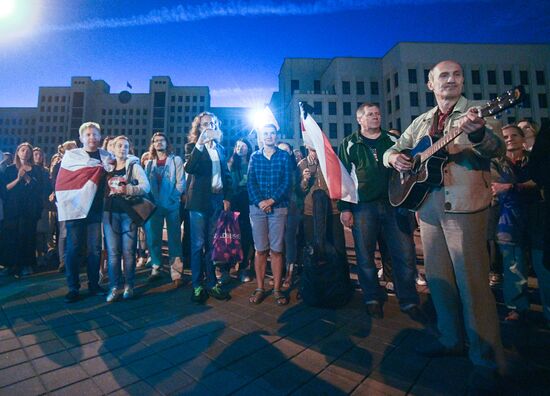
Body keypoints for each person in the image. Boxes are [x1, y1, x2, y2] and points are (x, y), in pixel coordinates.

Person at [384, 60, 506, 391]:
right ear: (430, 85)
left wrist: (478, 133)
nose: (451, 80)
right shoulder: (422, 121)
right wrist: (395, 158)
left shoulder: (478, 113)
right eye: (443, 76)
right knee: (438, 281)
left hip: (464, 207)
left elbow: (498, 150)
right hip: (428, 208)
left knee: (473, 285)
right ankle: (451, 339)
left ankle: (484, 358)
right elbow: (393, 149)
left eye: (456, 75)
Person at [338, 103, 421, 320]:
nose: (376, 117)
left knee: (404, 253)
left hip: (395, 204)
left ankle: (409, 299)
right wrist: (344, 209)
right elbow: (343, 179)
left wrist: (411, 202)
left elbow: (410, 170)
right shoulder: (349, 144)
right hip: (363, 206)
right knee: (365, 256)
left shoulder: (394, 141)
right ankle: (372, 298)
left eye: (378, 113)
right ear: (360, 119)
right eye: (370, 114)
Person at [492, 125, 550, 325]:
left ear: (522, 137)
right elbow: (493, 188)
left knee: (543, 265)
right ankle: (516, 307)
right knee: (513, 267)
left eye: (514, 135)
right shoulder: (496, 162)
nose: (509, 139)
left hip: (536, 217)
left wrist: (510, 187)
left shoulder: (535, 158)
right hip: (508, 219)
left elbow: (540, 180)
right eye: (505, 136)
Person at [56, 122, 114, 303]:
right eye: (88, 134)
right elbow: (63, 182)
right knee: (73, 248)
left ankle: (93, 284)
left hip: (95, 210)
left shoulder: (106, 157)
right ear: (81, 138)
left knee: (95, 250)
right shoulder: (72, 156)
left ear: (100, 137)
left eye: (95, 134)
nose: (92, 138)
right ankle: (73, 287)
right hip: (75, 209)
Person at [185, 112, 232, 302]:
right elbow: (189, 168)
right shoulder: (192, 147)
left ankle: (212, 282)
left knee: (213, 245)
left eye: (212, 123)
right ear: (199, 127)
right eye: (205, 124)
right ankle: (197, 284)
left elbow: (226, 175)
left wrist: (227, 197)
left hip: (216, 200)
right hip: (198, 201)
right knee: (197, 244)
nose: (209, 126)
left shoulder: (220, 148)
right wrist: (200, 143)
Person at [247, 122, 292, 306]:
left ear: (276, 135)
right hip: (257, 209)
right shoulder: (254, 157)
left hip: (279, 207)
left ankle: (277, 289)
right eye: (265, 133)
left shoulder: (284, 157)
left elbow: (287, 182)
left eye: (272, 133)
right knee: (260, 249)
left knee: (277, 250)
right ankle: (260, 287)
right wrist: (260, 202)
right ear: (261, 136)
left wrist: (271, 201)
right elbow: (250, 183)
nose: (269, 136)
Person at [103, 136, 151, 302]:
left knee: (128, 252)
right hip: (109, 212)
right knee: (113, 253)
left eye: (125, 146)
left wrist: (128, 189)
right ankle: (114, 286)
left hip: (128, 213)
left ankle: (129, 285)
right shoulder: (107, 166)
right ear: (113, 149)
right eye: (119, 146)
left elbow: (146, 187)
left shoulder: (134, 166)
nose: (122, 149)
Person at [1, 143, 49, 277]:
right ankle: (11, 265)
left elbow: (39, 188)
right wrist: (18, 178)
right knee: (11, 237)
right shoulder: (10, 169)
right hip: (13, 209)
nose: (25, 153)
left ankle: (26, 264)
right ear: (17, 152)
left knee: (27, 236)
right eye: (22, 150)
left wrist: (26, 177)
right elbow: (5, 188)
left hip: (29, 209)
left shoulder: (36, 170)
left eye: (28, 151)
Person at [144, 132, 185, 287]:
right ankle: (156, 267)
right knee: (153, 238)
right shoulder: (149, 163)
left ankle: (176, 272)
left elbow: (181, 182)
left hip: (171, 205)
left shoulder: (176, 160)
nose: (159, 143)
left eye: (162, 140)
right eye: (156, 141)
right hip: (154, 206)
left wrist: (173, 198)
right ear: (153, 144)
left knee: (174, 238)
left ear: (167, 143)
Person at [298, 146, 346, 260]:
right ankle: (314, 275)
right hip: (311, 211)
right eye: (312, 150)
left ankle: (339, 275)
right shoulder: (302, 164)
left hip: (332, 209)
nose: (315, 153)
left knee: (337, 246)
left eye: (317, 149)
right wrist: (305, 180)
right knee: (313, 246)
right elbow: (298, 190)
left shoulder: (332, 161)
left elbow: (341, 183)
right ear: (307, 147)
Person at [228, 138, 255, 283]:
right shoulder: (231, 163)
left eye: (243, 145)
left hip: (250, 201)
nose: (240, 148)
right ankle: (230, 263)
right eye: (237, 145)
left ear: (248, 148)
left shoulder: (253, 161)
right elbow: (229, 183)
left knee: (247, 234)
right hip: (235, 201)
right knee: (233, 235)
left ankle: (244, 266)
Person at [277, 141, 302, 288]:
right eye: (280, 150)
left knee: (290, 240)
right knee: (277, 240)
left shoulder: (296, 169)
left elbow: (299, 190)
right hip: (276, 207)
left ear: (291, 152)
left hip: (292, 208)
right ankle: (278, 272)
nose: (283, 153)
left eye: (286, 150)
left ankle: (290, 273)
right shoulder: (274, 167)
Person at [33, 147, 52, 267]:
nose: (38, 157)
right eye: (35, 154)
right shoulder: (28, 169)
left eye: (40, 155)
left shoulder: (45, 171)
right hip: (31, 205)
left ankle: (42, 255)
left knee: (42, 231)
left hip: (43, 204)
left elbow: (48, 187)